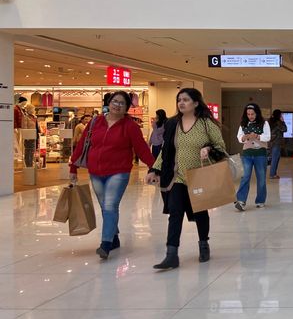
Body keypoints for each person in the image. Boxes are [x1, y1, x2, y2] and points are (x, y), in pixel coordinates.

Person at [146, 88, 226, 270]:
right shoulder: (173, 123)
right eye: (179, 100)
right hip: (178, 177)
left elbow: (220, 146)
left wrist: (209, 150)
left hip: (199, 176)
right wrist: (154, 169)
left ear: (196, 103)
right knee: (175, 212)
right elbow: (166, 151)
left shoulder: (206, 124)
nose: (181, 103)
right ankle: (171, 254)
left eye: (186, 100)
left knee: (200, 213)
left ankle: (203, 243)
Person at [69, 91, 155, 260]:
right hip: (95, 171)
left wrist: (155, 167)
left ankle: (105, 244)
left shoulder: (130, 127)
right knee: (104, 206)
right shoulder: (95, 122)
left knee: (109, 205)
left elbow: (142, 149)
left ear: (127, 108)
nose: (117, 105)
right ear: (109, 102)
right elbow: (82, 145)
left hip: (118, 172)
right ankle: (114, 237)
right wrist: (73, 167)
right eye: (115, 101)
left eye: (122, 103)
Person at [234, 103, 271, 211]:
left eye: (252, 114)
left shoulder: (264, 123)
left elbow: (268, 137)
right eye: (248, 114)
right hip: (247, 154)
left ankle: (260, 200)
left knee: (261, 178)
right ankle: (241, 201)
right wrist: (243, 138)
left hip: (260, 154)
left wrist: (258, 136)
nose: (250, 116)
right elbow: (239, 137)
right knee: (245, 176)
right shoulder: (243, 124)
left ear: (257, 113)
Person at [268, 109, 287, 179]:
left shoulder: (271, 121)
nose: (282, 116)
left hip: (272, 142)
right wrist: (283, 121)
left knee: (275, 158)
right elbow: (285, 129)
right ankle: (272, 174)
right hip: (276, 143)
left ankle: (274, 174)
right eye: (281, 115)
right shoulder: (278, 122)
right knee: (275, 159)